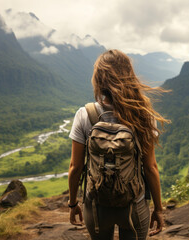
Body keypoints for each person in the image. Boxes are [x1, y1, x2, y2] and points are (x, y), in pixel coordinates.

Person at [68, 49, 169, 240]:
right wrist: (158, 209)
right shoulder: (143, 115)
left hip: (96, 206)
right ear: (129, 77)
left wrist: (73, 204)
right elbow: (150, 167)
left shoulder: (85, 114)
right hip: (134, 204)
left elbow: (76, 167)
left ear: (98, 80)